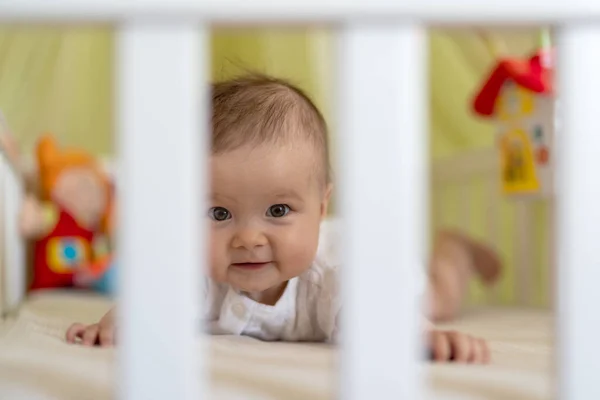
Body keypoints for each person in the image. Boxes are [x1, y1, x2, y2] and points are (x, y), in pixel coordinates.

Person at [66, 75, 494, 363]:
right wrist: (116, 325)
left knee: (438, 298)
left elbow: (376, 319)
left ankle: (452, 250)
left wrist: (416, 336)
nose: (249, 238)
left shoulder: (337, 277)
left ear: (323, 208)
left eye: (278, 211)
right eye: (218, 213)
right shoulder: (198, 273)